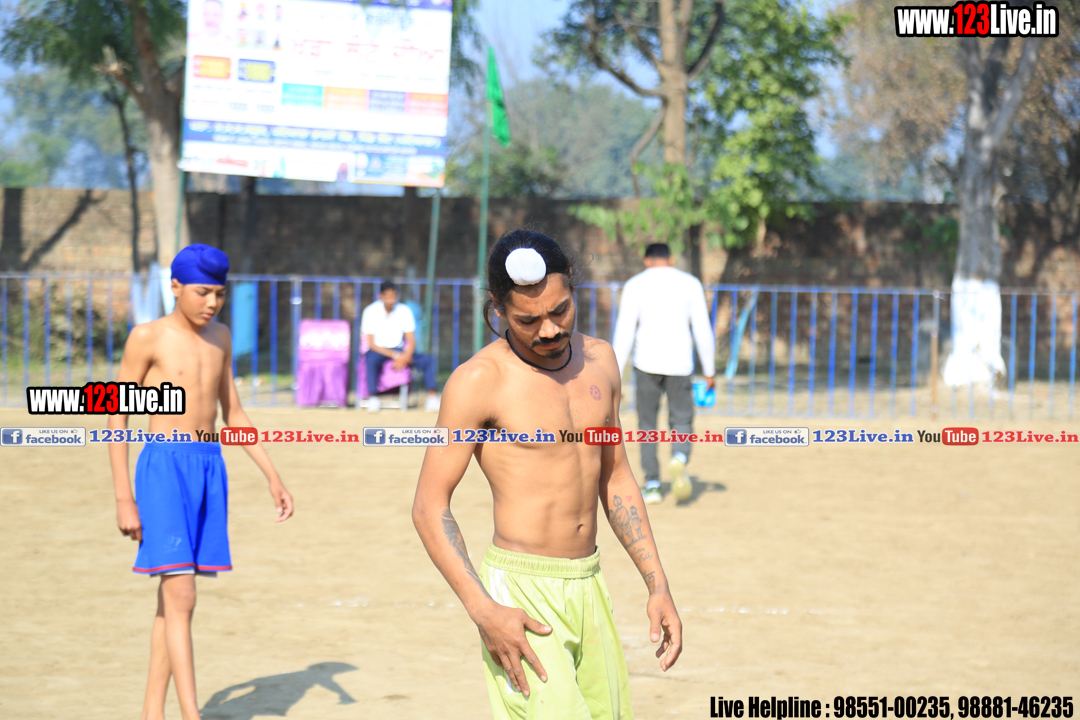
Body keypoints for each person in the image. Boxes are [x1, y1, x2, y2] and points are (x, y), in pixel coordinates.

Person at [413, 230, 682, 720]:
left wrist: (657, 583)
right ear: (498, 308)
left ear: (573, 285)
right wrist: (484, 610)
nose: (549, 330)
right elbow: (430, 507)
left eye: (560, 310)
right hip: (520, 593)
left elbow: (616, 478)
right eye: (527, 320)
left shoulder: (601, 361)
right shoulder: (478, 381)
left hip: (589, 584)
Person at [107, 244, 294, 720]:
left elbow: (234, 413)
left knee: (173, 599)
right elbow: (116, 417)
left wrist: (272, 475)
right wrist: (124, 497)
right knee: (183, 593)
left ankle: (152, 712)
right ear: (174, 287)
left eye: (219, 294)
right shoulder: (147, 337)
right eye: (202, 292)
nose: (212, 302)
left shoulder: (221, 337)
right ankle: (192, 714)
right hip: (163, 469)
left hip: (210, 467)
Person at [612, 243, 715, 505]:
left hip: (646, 364)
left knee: (647, 425)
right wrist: (710, 370)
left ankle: (653, 484)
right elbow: (702, 329)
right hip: (680, 365)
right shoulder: (690, 284)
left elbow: (624, 331)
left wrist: (615, 373)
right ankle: (679, 456)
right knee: (682, 419)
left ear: (646, 259)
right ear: (671, 258)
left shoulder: (635, 285)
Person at [361, 279, 440, 412]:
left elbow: (411, 340)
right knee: (370, 360)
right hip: (379, 351)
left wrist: (405, 356)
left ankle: (432, 397)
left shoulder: (404, 311)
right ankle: (373, 397)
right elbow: (371, 344)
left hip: (400, 350)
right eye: (388, 296)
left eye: (393, 296)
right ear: (380, 296)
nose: (391, 300)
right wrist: (396, 356)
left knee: (426, 360)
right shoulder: (370, 311)